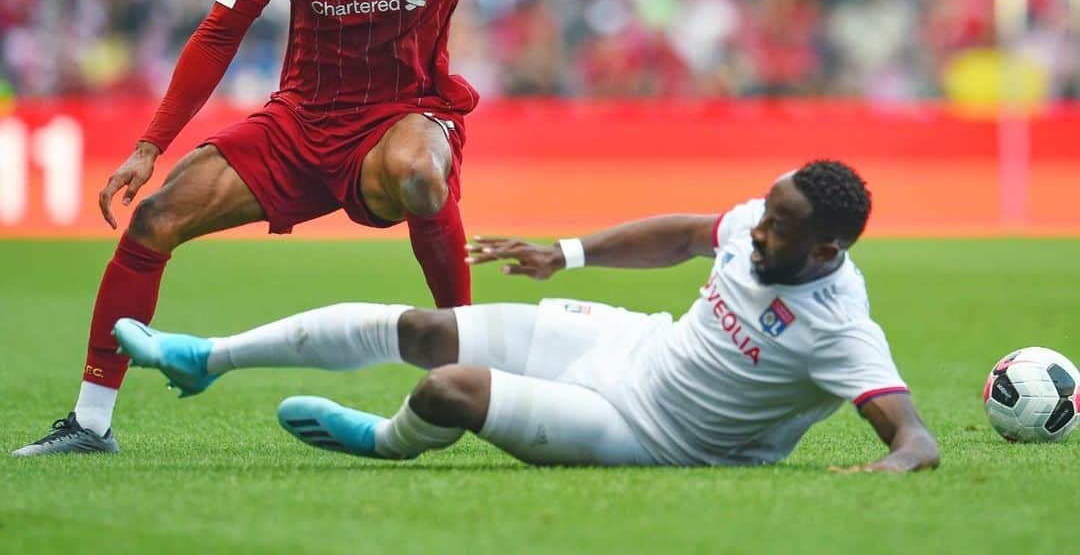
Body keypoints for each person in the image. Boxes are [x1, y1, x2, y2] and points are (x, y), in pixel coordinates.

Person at [13, 0, 613, 457]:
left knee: (420, 174)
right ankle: (90, 424)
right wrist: (149, 145)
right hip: (301, 122)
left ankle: (462, 352)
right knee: (155, 219)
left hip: (405, 114)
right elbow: (220, 33)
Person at [101, 161, 939, 471]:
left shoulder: (840, 326)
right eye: (765, 213)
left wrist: (885, 469)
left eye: (781, 229)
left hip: (646, 429)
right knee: (429, 328)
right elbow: (687, 233)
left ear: (827, 247)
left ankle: (381, 440)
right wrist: (565, 253)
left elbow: (915, 438)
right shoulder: (764, 223)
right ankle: (203, 356)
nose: (758, 229)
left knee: (449, 389)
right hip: (628, 342)